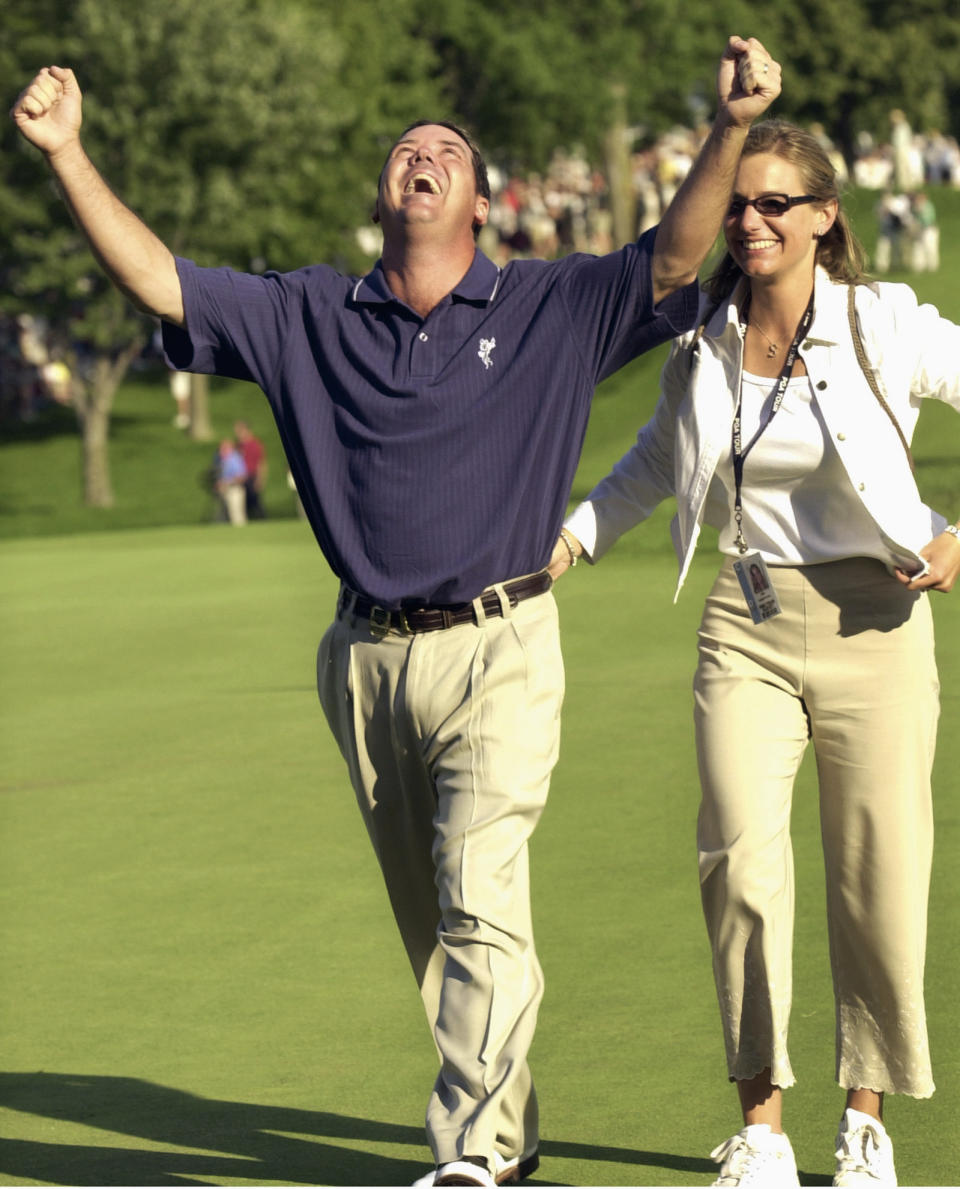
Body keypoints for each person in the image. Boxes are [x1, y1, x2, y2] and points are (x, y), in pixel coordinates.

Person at [11, 44, 780, 1187]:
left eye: (447, 153)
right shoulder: (307, 311)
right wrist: (69, 153)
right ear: (387, 195)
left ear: (480, 201)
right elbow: (162, 281)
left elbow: (673, 258)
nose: (421, 156)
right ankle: (508, 1136)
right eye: (405, 152)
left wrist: (728, 129)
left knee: (478, 895)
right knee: (438, 931)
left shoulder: (548, 303)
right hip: (364, 659)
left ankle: (467, 1153)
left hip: (501, 643)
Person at [554, 119, 960, 1187]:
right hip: (746, 622)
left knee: (878, 876)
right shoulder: (702, 333)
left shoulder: (881, 322)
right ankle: (763, 1128)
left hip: (879, 624)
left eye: (777, 202)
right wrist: (572, 536)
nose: (751, 220)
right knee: (738, 858)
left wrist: (959, 532)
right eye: (741, 203)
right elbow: (654, 460)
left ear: (826, 216)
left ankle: (865, 1121)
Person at [233, 419, 268, 519]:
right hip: (242, 477)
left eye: (239, 431)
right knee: (245, 502)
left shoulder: (255, 444)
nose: (237, 434)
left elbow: (261, 463)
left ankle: (263, 519)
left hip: (252, 476)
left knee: (255, 501)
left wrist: (260, 479)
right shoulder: (238, 445)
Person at [214, 437, 248, 525]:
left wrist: (226, 482)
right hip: (226, 490)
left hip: (235, 489)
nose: (221, 450)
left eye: (223, 448)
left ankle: (243, 536)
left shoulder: (234, 459)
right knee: (229, 516)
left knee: (237, 515)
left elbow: (241, 476)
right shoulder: (223, 460)